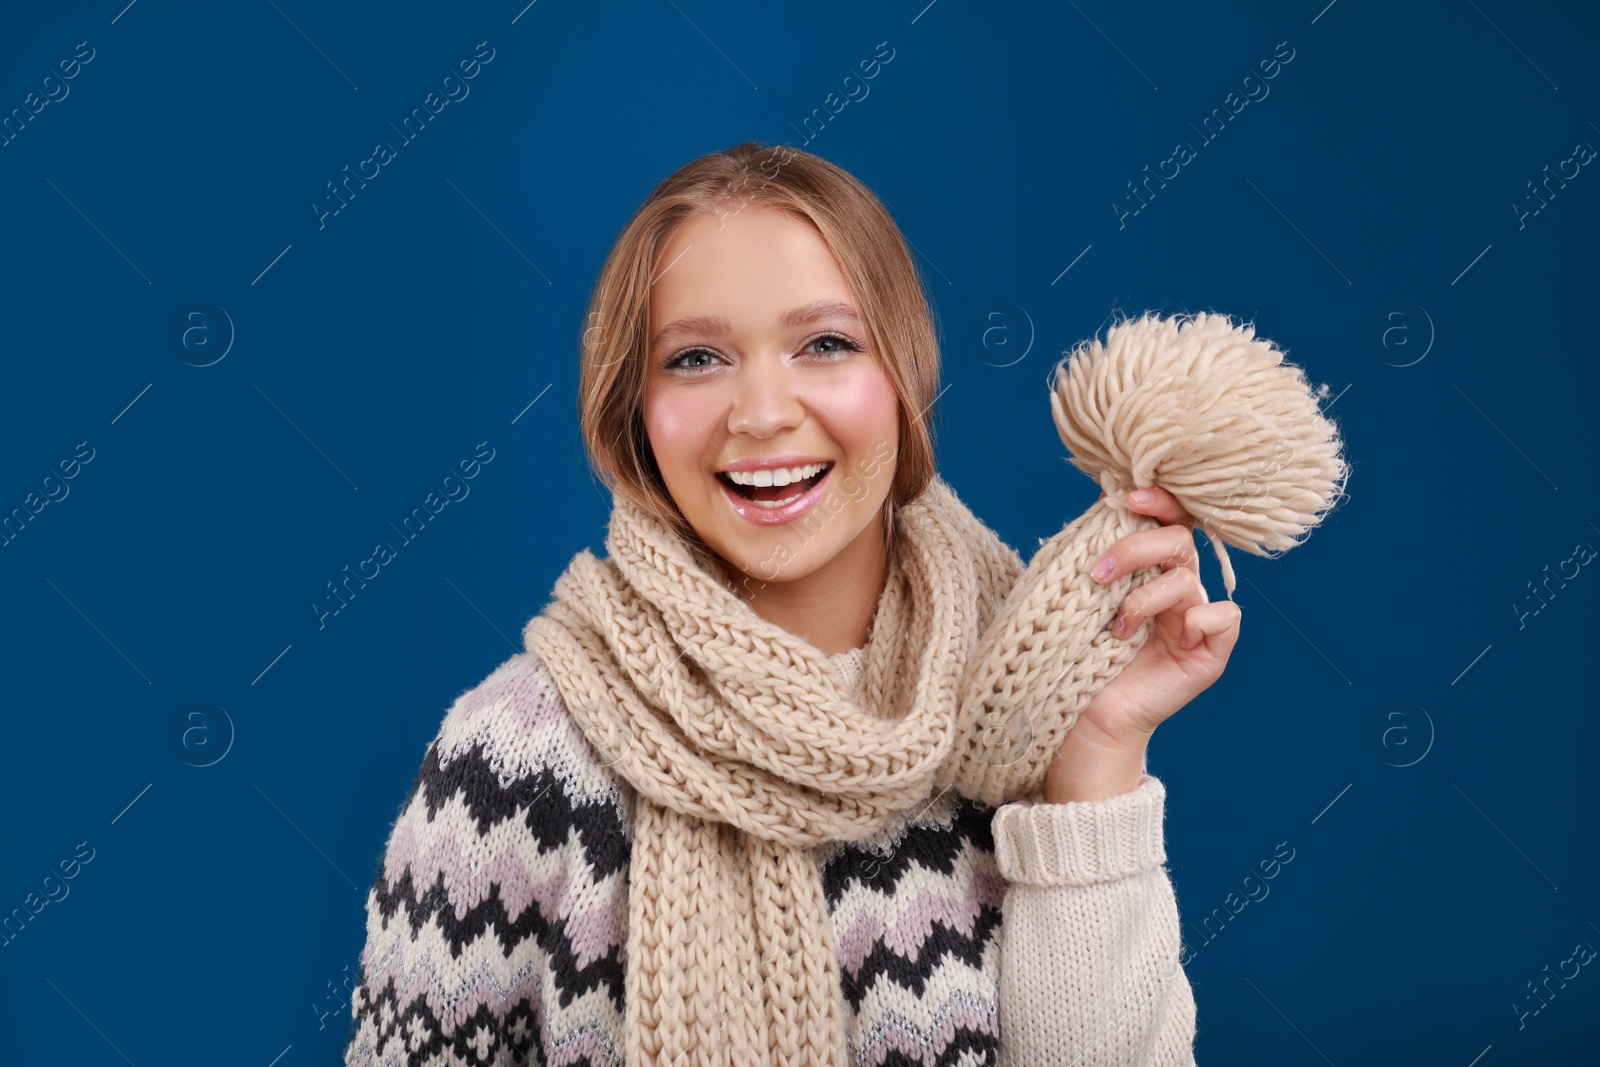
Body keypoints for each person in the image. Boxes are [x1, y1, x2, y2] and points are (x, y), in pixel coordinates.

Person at [343, 140, 1240, 1067]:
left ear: (903, 375)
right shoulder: (512, 766)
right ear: (634, 410)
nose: (763, 411)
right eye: (695, 357)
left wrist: (1096, 754)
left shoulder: (1022, 717)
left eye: (825, 344)